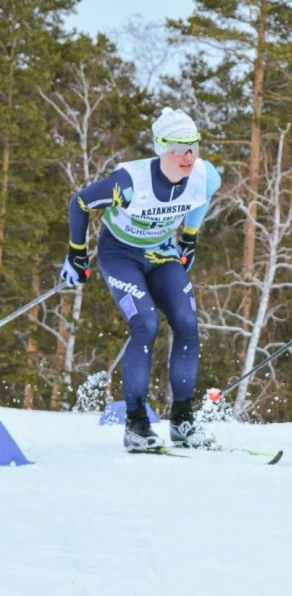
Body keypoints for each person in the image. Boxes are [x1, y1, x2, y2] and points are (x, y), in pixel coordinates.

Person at [61, 107, 222, 453]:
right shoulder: (130, 183)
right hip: (121, 255)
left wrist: (189, 237)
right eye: (179, 148)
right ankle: (136, 424)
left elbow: (201, 198)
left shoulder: (205, 175)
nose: (189, 156)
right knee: (146, 323)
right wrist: (77, 252)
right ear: (161, 147)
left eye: (193, 146)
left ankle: (182, 420)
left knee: (186, 320)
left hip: (161, 253)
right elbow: (82, 203)